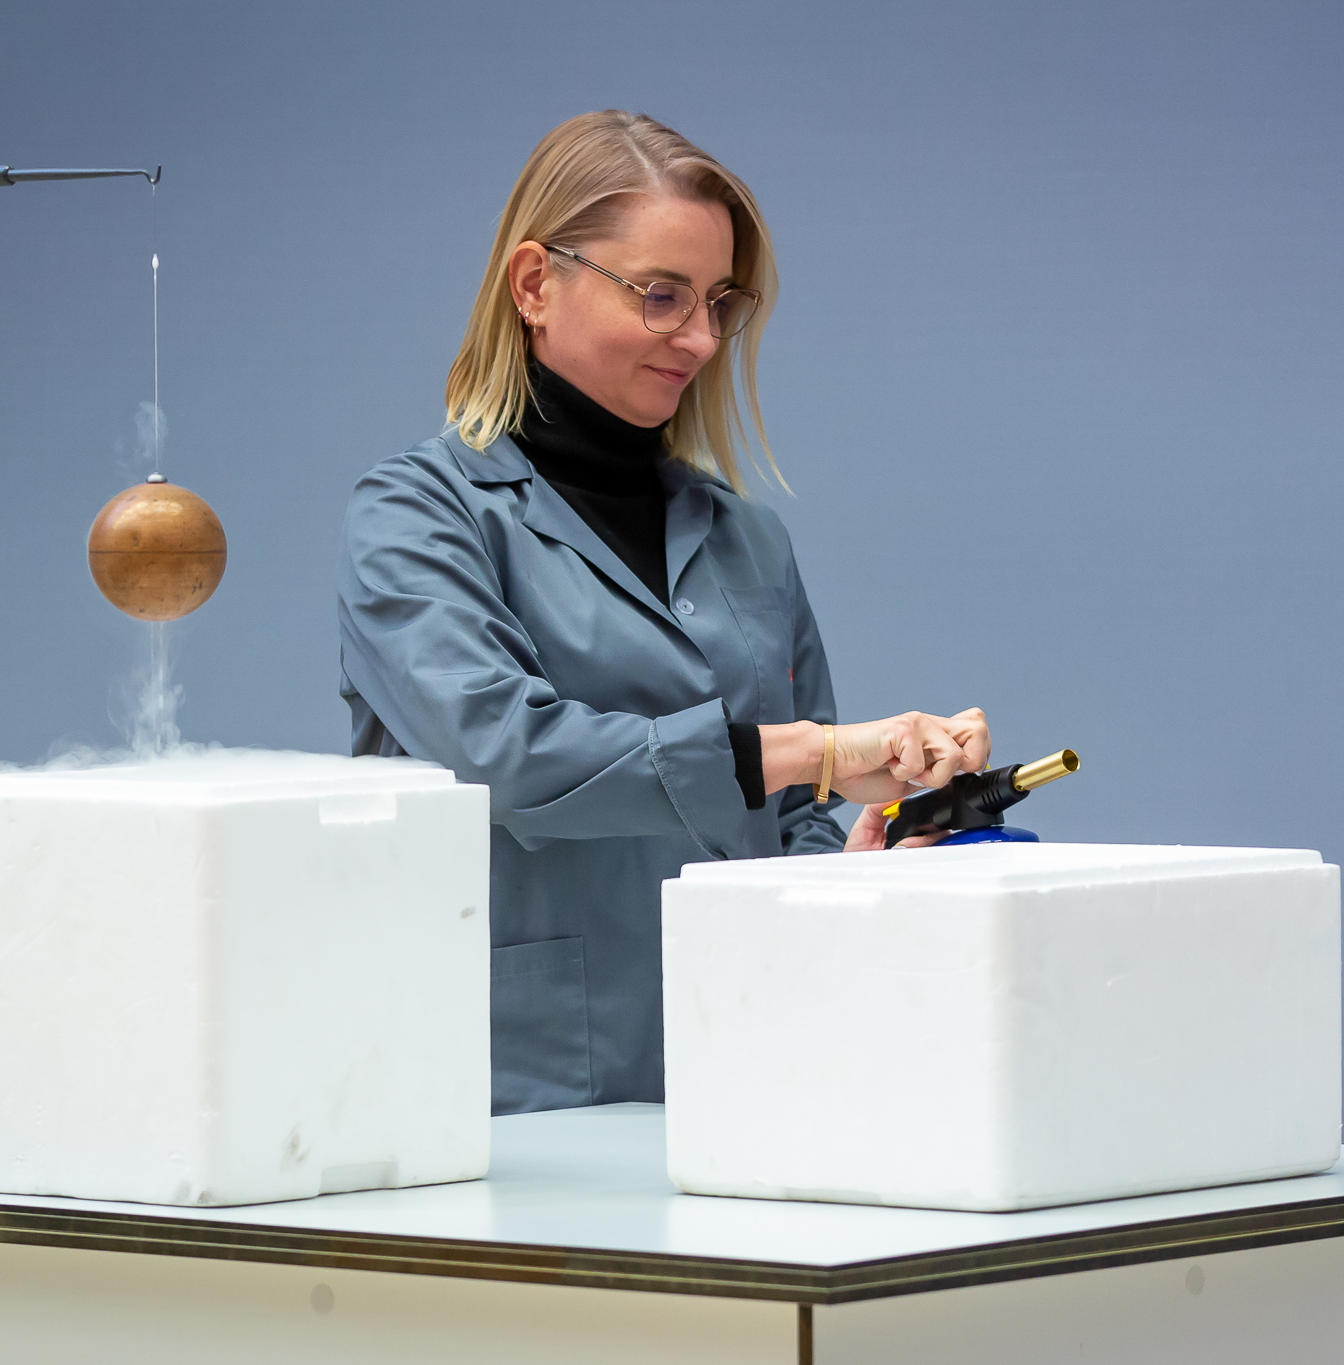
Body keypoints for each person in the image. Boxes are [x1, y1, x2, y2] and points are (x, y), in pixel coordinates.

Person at [338, 110, 989, 1115]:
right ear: (533, 284)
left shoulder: (747, 538)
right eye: (660, 295)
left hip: (745, 1072)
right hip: (512, 1091)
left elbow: (794, 820)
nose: (701, 338)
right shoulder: (417, 517)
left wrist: (857, 860)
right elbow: (505, 755)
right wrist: (807, 752)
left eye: (718, 302)